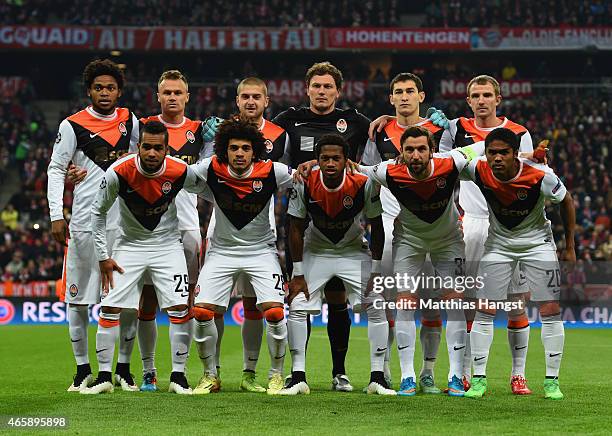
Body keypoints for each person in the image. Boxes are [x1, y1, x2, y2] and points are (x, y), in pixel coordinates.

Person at [359, 126, 485, 397]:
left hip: (450, 242)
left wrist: (528, 155)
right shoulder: (388, 171)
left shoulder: (451, 161)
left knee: (455, 302)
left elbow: (487, 145)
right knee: (404, 302)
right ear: (401, 154)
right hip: (409, 243)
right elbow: (356, 170)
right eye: (409, 150)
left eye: (421, 149)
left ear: (431, 151)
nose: (416, 155)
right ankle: (407, 377)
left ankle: (453, 375)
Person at [82, 121, 196, 395]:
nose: (152, 153)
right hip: (128, 247)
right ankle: (104, 377)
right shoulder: (118, 172)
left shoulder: (181, 170)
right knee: (109, 309)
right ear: (138, 146)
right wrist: (103, 256)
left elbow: (212, 190)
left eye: (158, 148)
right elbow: (97, 214)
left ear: (167, 149)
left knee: (180, 309)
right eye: (147, 147)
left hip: (168, 246)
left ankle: (178, 377)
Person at [47, 59, 139, 392]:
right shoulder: (72, 125)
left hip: (125, 225)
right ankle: (83, 369)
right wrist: (57, 214)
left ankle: (122, 369)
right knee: (78, 299)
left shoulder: (131, 121)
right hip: (84, 223)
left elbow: (141, 161)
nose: (104, 92)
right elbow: (57, 170)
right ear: (89, 91)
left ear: (119, 91)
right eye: (98, 87)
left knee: (126, 299)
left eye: (110, 87)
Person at [462, 127, 575, 400]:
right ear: (486, 154)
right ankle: (478, 379)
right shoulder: (478, 169)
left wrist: (570, 245)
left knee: (549, 309)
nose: (497, 158)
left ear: (515, 154)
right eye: (492, 153)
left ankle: (551, 381)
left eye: (504, 153)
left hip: (537, 246)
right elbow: (444, 164)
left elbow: (567, 200)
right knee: (484, 309)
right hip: (498, 247)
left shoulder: (540, 176)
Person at [438, 75, 534, 394]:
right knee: (469, 304)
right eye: (475, 95)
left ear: (498, 99)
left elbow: (529, 180)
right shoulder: (455, 129)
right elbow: (431, 149)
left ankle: (517, 374)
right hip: (472, 224)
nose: (481, 100)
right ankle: (466, 373)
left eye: (486, 95)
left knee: (515, 303)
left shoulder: (520, 133)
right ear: (468, 100)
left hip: (510, 225)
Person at [280, 134, 394, 396]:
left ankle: (378, 377)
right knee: (297, 304)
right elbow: (295, 228)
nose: (330, 163)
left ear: (346, 161)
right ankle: (298, 376)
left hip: (352, 250)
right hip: (317, 250)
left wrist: (376, 271)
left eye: (336, 158)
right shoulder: (305, 180)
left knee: (376, 302)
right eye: (325, 158)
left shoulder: (364, 182)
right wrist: (297, 274)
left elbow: (377, 227)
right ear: (317, 160)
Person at [188, 118, 293, 395]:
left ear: (254, 150)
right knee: (201, 312)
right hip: (221, 252)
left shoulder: (274, 171)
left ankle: (275, 376)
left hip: (261, 251)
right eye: (234, 148)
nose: (239, 154)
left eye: (245, 148)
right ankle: (210, 376)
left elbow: (307, 178)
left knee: (273, 311)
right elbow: (180, 176)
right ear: (224, 149)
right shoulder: (211, 167)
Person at [360, 72, 446, 392]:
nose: (405, 96)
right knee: (387, 303)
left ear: (421, 97)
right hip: (387, 224)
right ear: (391, 99)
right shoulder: (378, 133)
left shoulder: (440, 130)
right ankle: (383, 370)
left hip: (432, 224)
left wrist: (448, 125)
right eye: (399, 92)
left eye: (411, 91)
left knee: (433, 304)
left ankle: (427, 372)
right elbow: (368, 177)